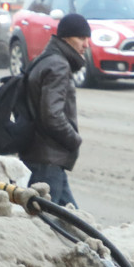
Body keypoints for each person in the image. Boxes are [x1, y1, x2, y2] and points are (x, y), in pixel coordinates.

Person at [21, 12, 89, 208]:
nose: (85, 44)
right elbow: (52, 115)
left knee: (74, 222)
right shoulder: (58, 65)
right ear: (66, 38)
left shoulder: (46, 59)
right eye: (81, 38)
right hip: (47, 160)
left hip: (43, 157)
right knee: (53, 222)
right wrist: (74, 140)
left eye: (87, 39)